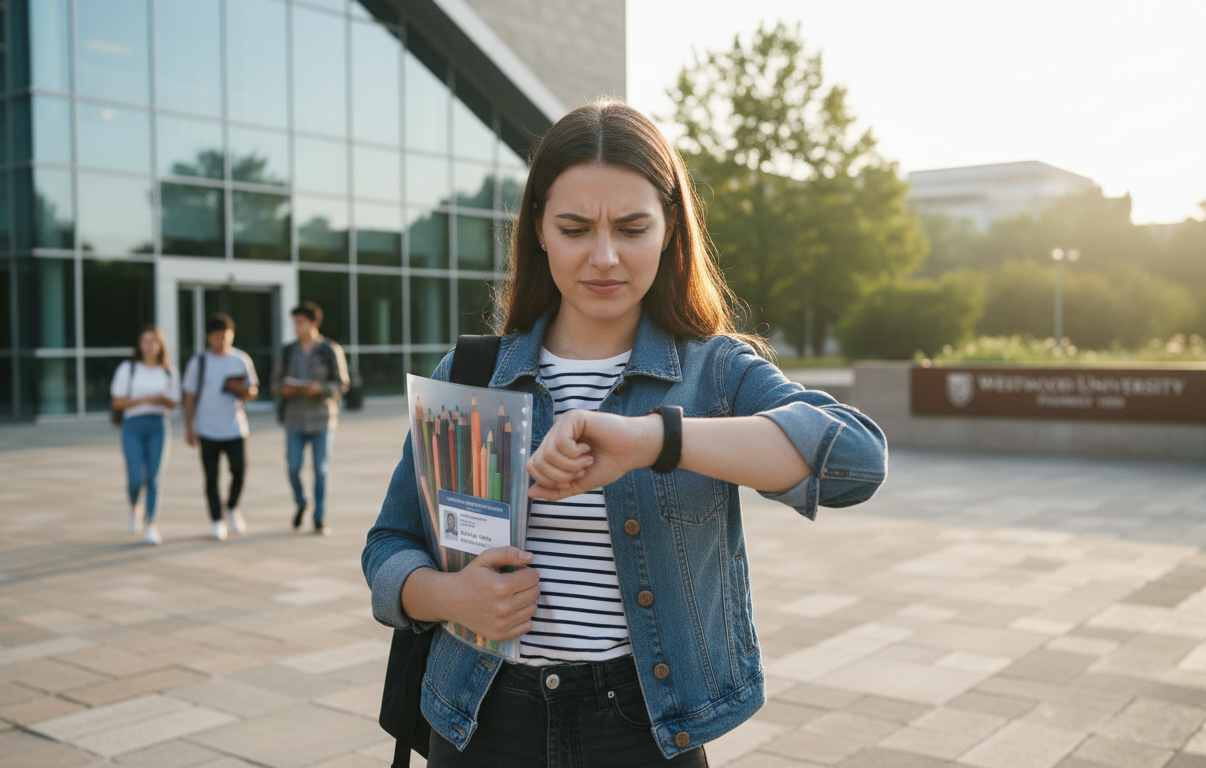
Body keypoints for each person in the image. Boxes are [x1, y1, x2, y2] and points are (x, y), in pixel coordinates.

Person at [362, 101, 888, 767]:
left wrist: (654, 441)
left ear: (669, 229)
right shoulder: (472, 375)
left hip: (643, 728)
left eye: (633, 227)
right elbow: (389, 544)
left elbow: (856, 460)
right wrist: (446, 595)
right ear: (539, 228)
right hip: (479, 719)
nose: (604, 257)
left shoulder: (715, 374)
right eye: (575, 228)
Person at [271, 301, 349, 536]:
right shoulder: (288, 351)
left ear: (314, 323)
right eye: (295, 323)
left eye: (301, 322)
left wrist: (321, 389)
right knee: (293, 468)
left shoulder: (329, 350)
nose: (297, 327)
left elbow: (342, 384)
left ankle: (319, 517)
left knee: (321, 471)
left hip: (322, 420)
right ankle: (301, 502)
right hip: (294, 420)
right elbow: (274, 383)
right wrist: (282, 389)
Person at [184, 313, 259, 541]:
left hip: (235, 427)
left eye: (226, 336)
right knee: (211, 477)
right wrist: (189, 426)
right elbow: (189, 396)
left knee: (239, 471)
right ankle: (217, 520)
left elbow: (253, 390)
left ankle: (232, 507)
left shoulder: (241, 359)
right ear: (209, 337)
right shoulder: (199, 362)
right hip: (207, 428)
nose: (222, 341)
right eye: (217, 336)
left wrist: (242, 390)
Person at [110, 325, 180, 545]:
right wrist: (144, 400)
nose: (149, 346)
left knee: (154, 478)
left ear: (161, 345)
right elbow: (117, 402)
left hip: (158, 425)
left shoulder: (169, 371)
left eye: (153, 341)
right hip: (133, 425)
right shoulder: (128, 368)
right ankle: (134, 508)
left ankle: (151, 523)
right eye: (145, 341)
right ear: (139, 345)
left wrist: (163, 401)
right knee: (135, 479)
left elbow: (174, 402)